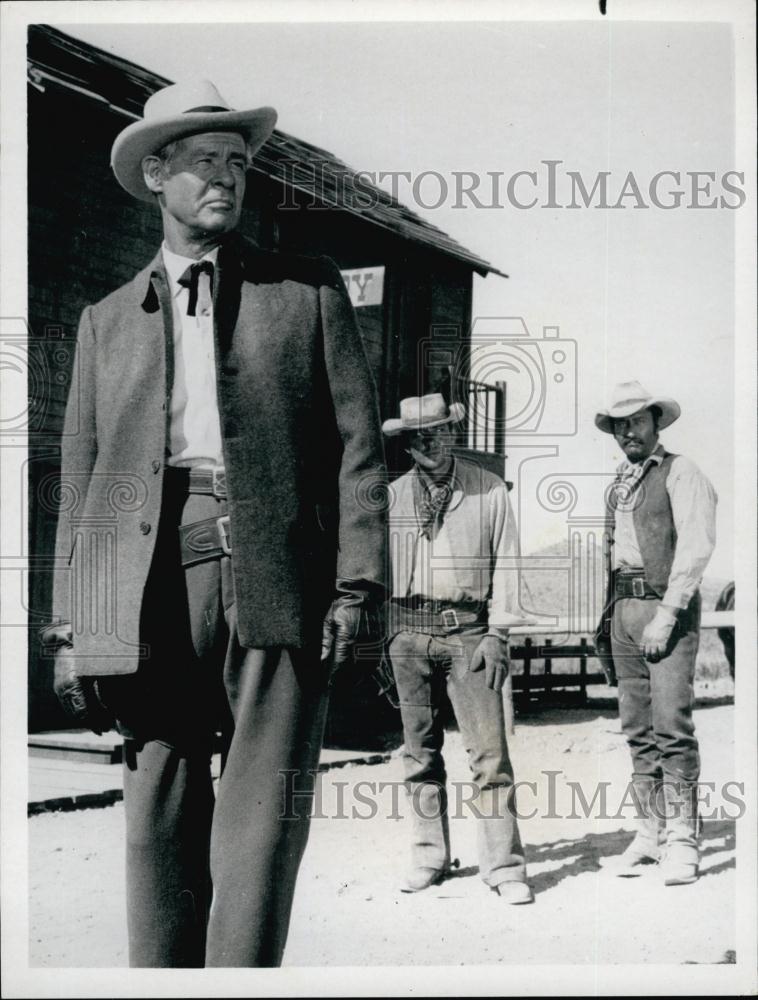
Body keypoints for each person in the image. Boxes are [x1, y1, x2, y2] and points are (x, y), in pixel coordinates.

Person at [41, 79, 387, 967]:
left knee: (264, 818)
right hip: (150, 583)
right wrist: (79, 626)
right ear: (157, 173)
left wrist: (357, 588)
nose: (226, 179)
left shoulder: (304, 293)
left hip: (276, 574)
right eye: (204, 162)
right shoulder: (104, 322)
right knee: (158, 799)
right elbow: (84, 485)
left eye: (237, 162)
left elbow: (358, 452)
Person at [382, 393, 533, 904]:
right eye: (421, 436)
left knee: (489, 756)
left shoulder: (488, 490)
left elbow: (509, 565)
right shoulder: (393, 497)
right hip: (408, 634)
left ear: (454, 433)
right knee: (419, 753)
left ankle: (504, 865)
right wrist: (390, 637)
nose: (434, 443)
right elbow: (375, 572)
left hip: (470, 633)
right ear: (407, 445)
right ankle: (429, 855)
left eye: (442, 432)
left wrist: (499, 633)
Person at [595, 380, 717, 885]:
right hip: (623, 608)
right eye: (620, 425)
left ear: (655, 423)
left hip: (664, 607)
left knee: (671, 727)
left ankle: (683, 841)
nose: (629, 432)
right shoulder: (620, 481)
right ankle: (649, 834)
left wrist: (667, 614)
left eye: (637, 422)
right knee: (636, 730)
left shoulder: (682, 472)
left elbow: (695, 546)